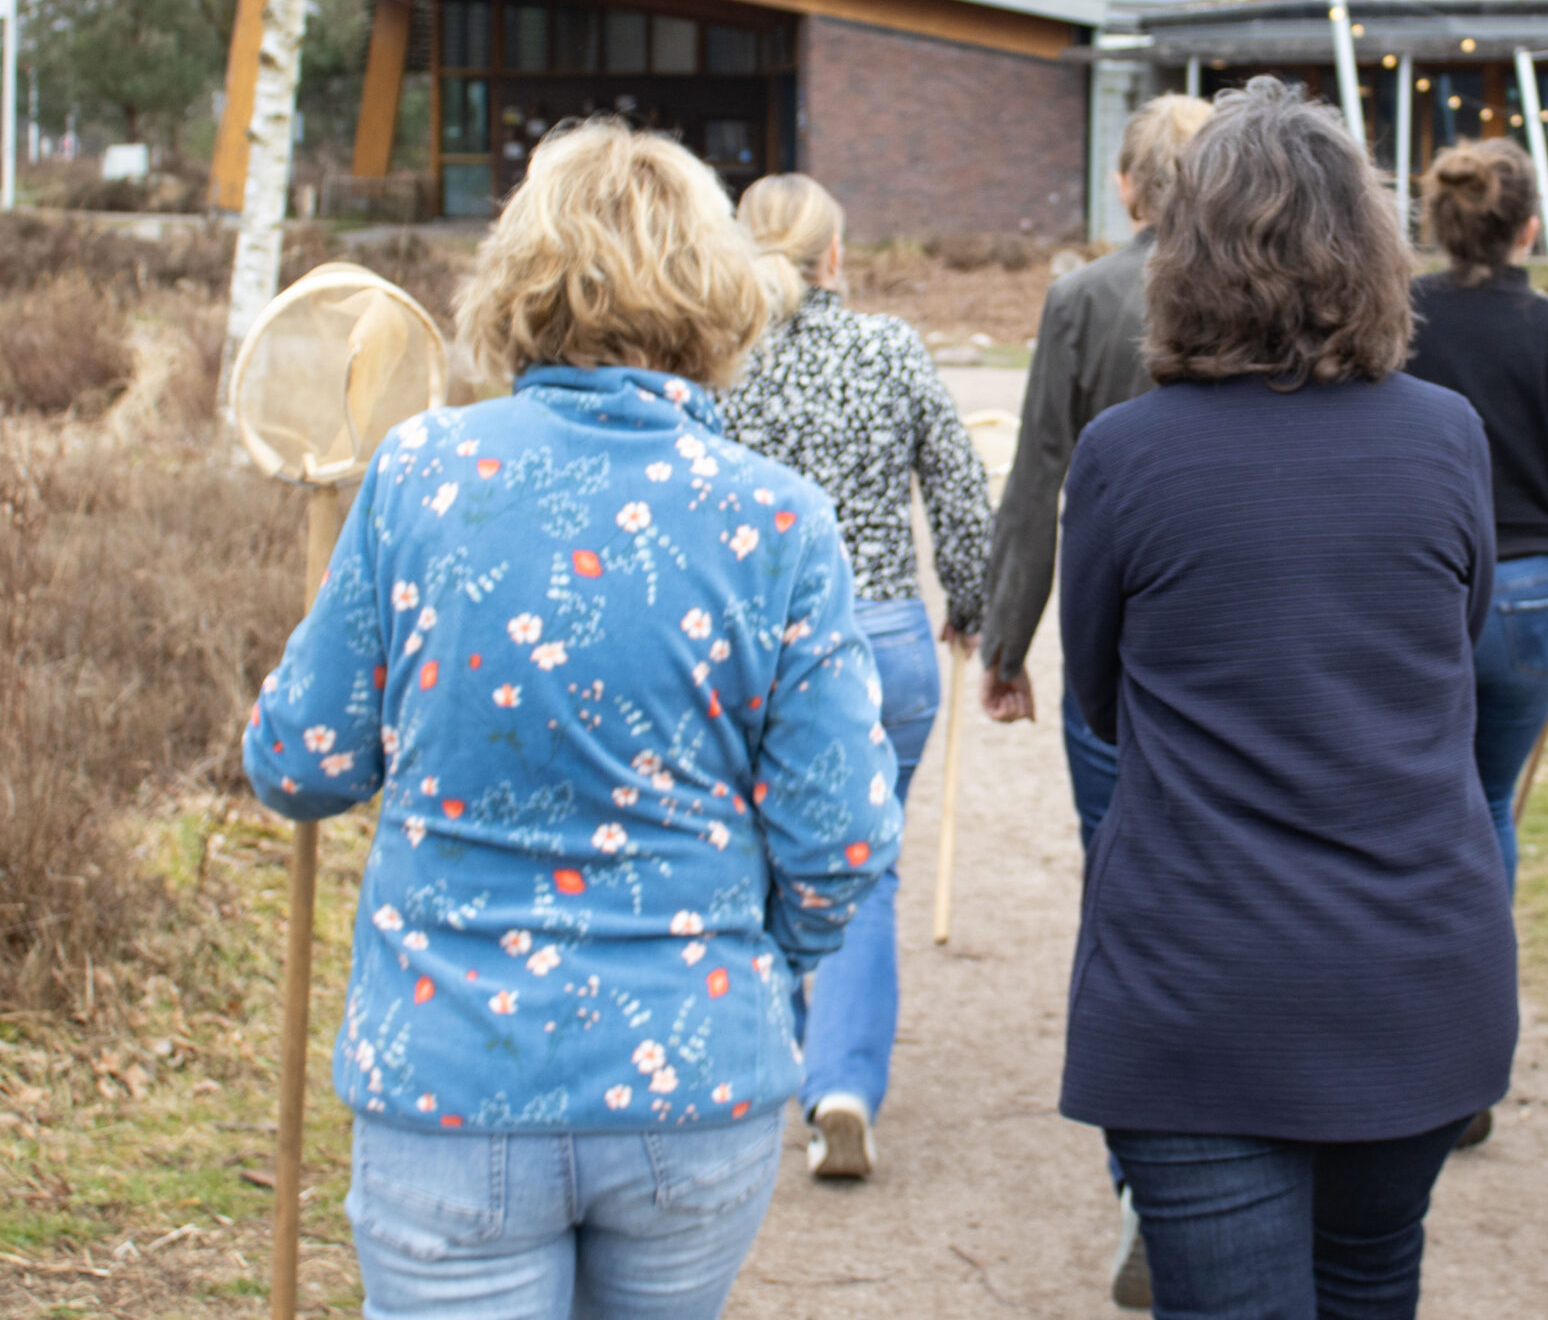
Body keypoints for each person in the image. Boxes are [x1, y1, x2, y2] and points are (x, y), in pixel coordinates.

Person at [241, 122, 901, 1320]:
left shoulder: (419, 476)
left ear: (519, 277)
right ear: (717, 293)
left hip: (447, 1080)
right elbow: (844, 840)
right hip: (696, 1080)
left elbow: (302, 762)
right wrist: (746, 958)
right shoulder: (779, 523)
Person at [1057, 77, 1513, 1320]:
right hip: (1413, 973)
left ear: (1182, 252)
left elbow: (1097, 696)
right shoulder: (1445, 437)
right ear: (1369, 251)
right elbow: (1448, 646)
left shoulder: (1126, 457)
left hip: (1199, 981)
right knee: (1372, 1282)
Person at [975, 91, 1209, 1307]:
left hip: (1117, 645)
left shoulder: (1085, 300)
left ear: (1126, 188)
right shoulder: (1255, 291)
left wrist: (1007, 637)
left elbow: (1038, 476)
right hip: (1230, 640)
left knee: (1118, 886)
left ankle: (1142, 1172)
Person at [717, 171, 992, 1183]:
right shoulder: (889, 348)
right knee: (865, 868)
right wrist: (972, 605)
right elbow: (961, 489)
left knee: (754, 859)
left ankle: (778, 1062)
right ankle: (841, 1083)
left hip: (751, 646)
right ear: (837, 256)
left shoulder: (715, 361)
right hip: (880, 639)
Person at [1405, 138, 1548, 892]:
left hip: (1426, 582)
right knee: (1490, 801)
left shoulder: (1399, 321)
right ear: (1531, 226)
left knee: (1416, 802)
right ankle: (1480, 978)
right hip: (1528, 592)